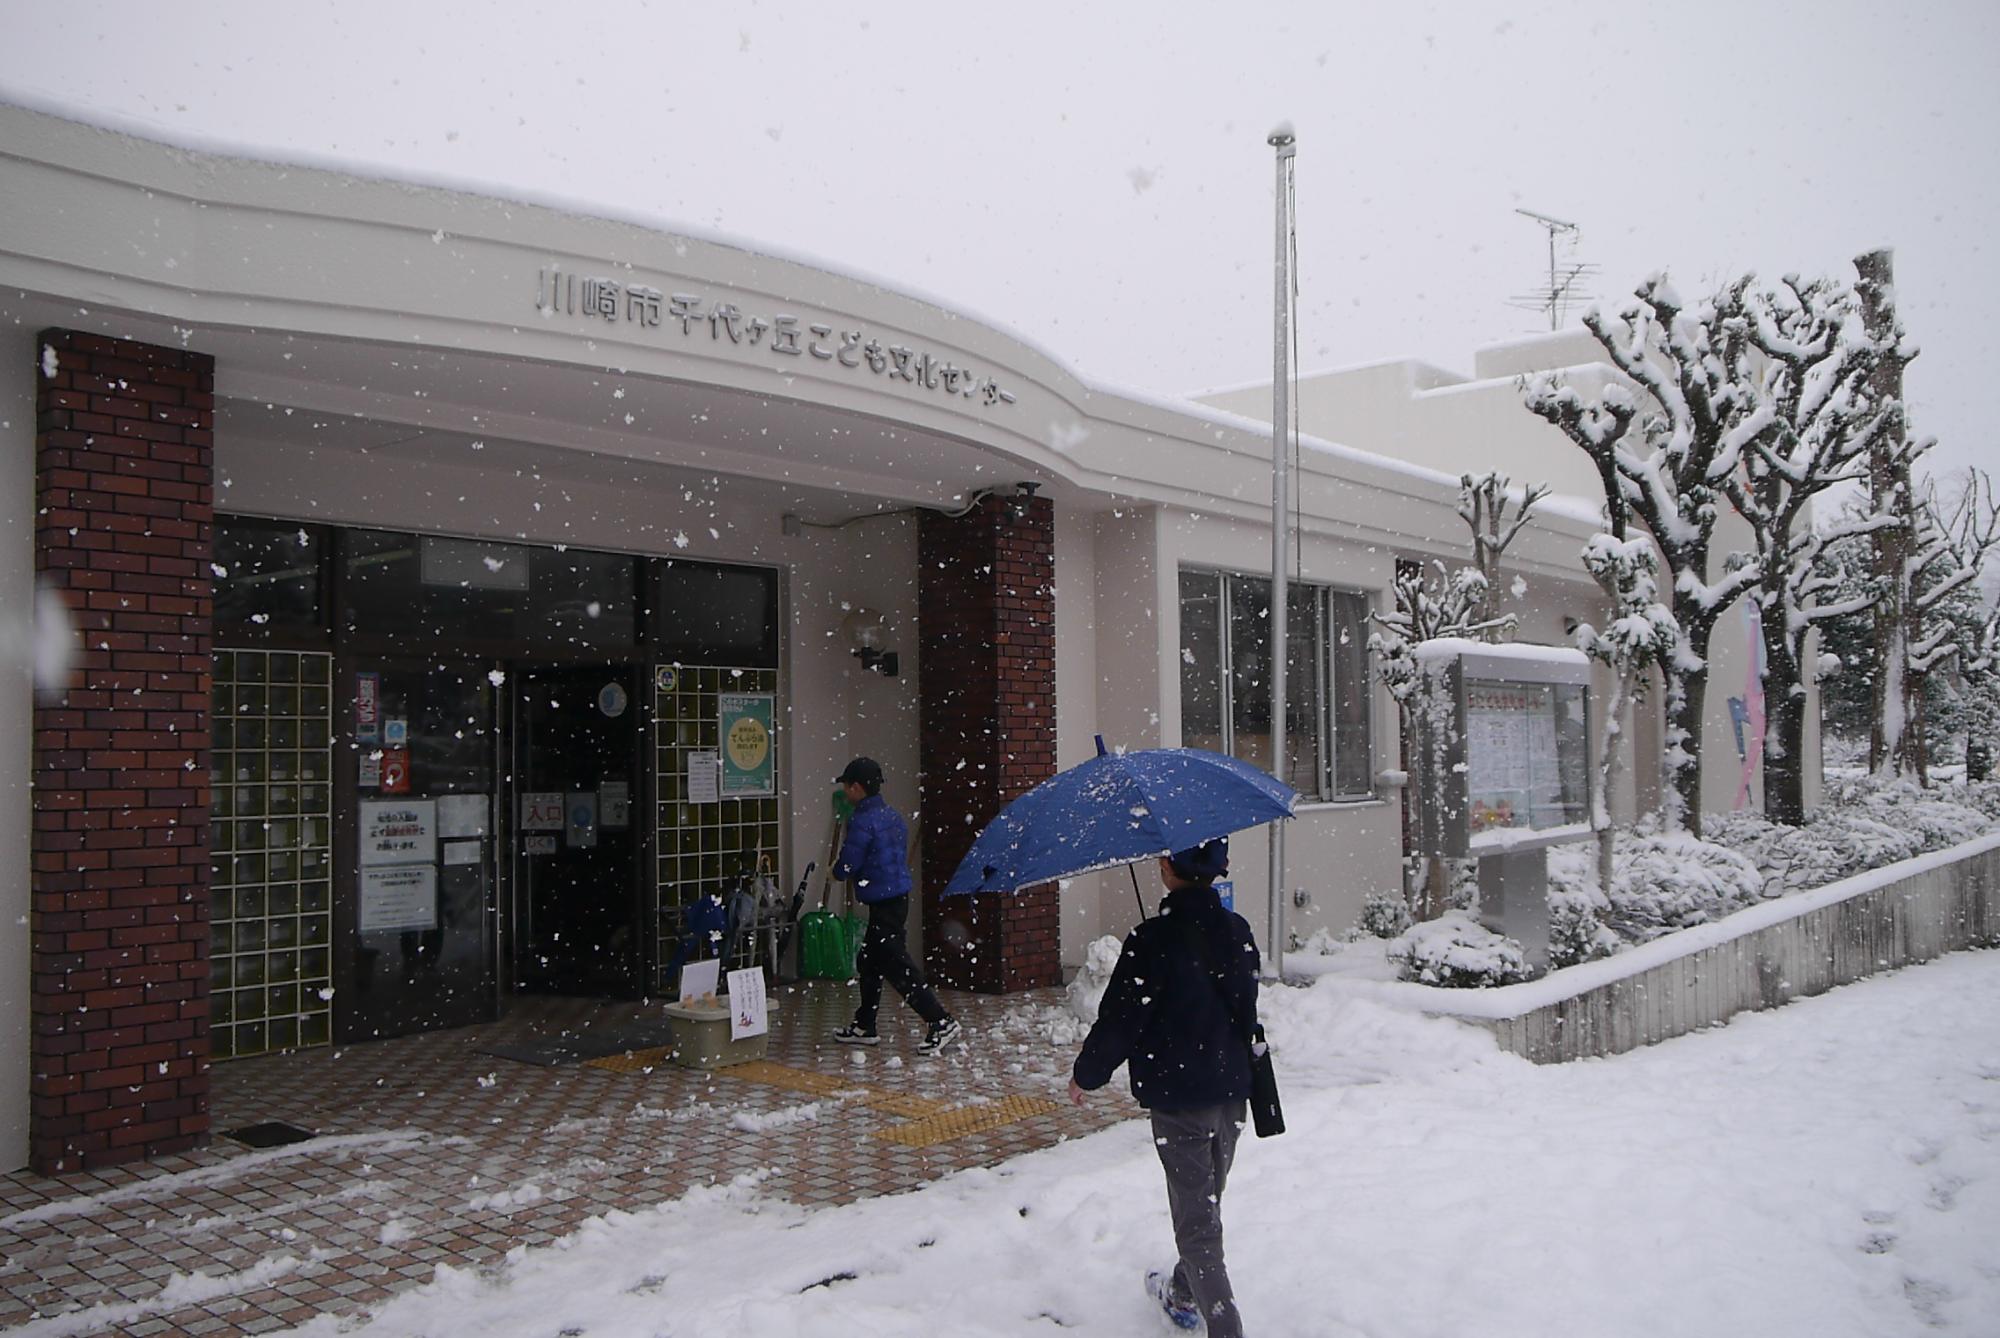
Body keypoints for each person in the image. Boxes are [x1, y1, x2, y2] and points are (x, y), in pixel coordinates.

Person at [1068, 837, 1256, 1337]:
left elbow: (1121, 1021)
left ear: (1165, 867)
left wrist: (1088, 1073)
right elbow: (1244, 1007)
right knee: (1204, 1201)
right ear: (1220, 869)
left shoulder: (1151, 941)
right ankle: (1181, 1290)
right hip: (1232, 1092)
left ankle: (1224, 1326)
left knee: (1197, 1219)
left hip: (1179, 1098)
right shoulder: (1237, 930)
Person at [827, 757, 964, 1056]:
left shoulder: (862, 821)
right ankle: (865, 1025)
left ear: (857, 788)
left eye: (847, 786)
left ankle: (940, 1020)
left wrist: (836, 872)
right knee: (869, 961)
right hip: (896, 899)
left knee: (897, 966)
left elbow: (850, 861)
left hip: (884, 903)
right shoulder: (892, 817)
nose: (845, 792)